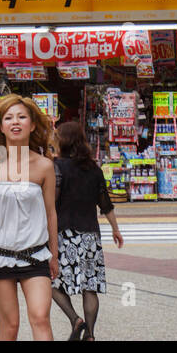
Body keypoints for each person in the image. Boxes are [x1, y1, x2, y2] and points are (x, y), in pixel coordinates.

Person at [0, 94, 59, 341]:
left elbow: (51, 212)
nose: (15, 122)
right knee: (10, 326)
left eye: (22, 116)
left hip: (36, 255)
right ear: (0, 126)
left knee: (40, 317)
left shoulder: (44, 166)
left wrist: (54, 254)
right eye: (8, 118)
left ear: (32, 125)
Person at [51, 121, 124, 340]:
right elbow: (106, 203)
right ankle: (90, 334)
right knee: (89, 286)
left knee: (49, 281)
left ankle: (75, 319)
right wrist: (115, 229)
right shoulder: (94, 168)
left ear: (63, 140)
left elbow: (51, 203)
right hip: (90, 235)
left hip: (65, 234)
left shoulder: (57, 167)